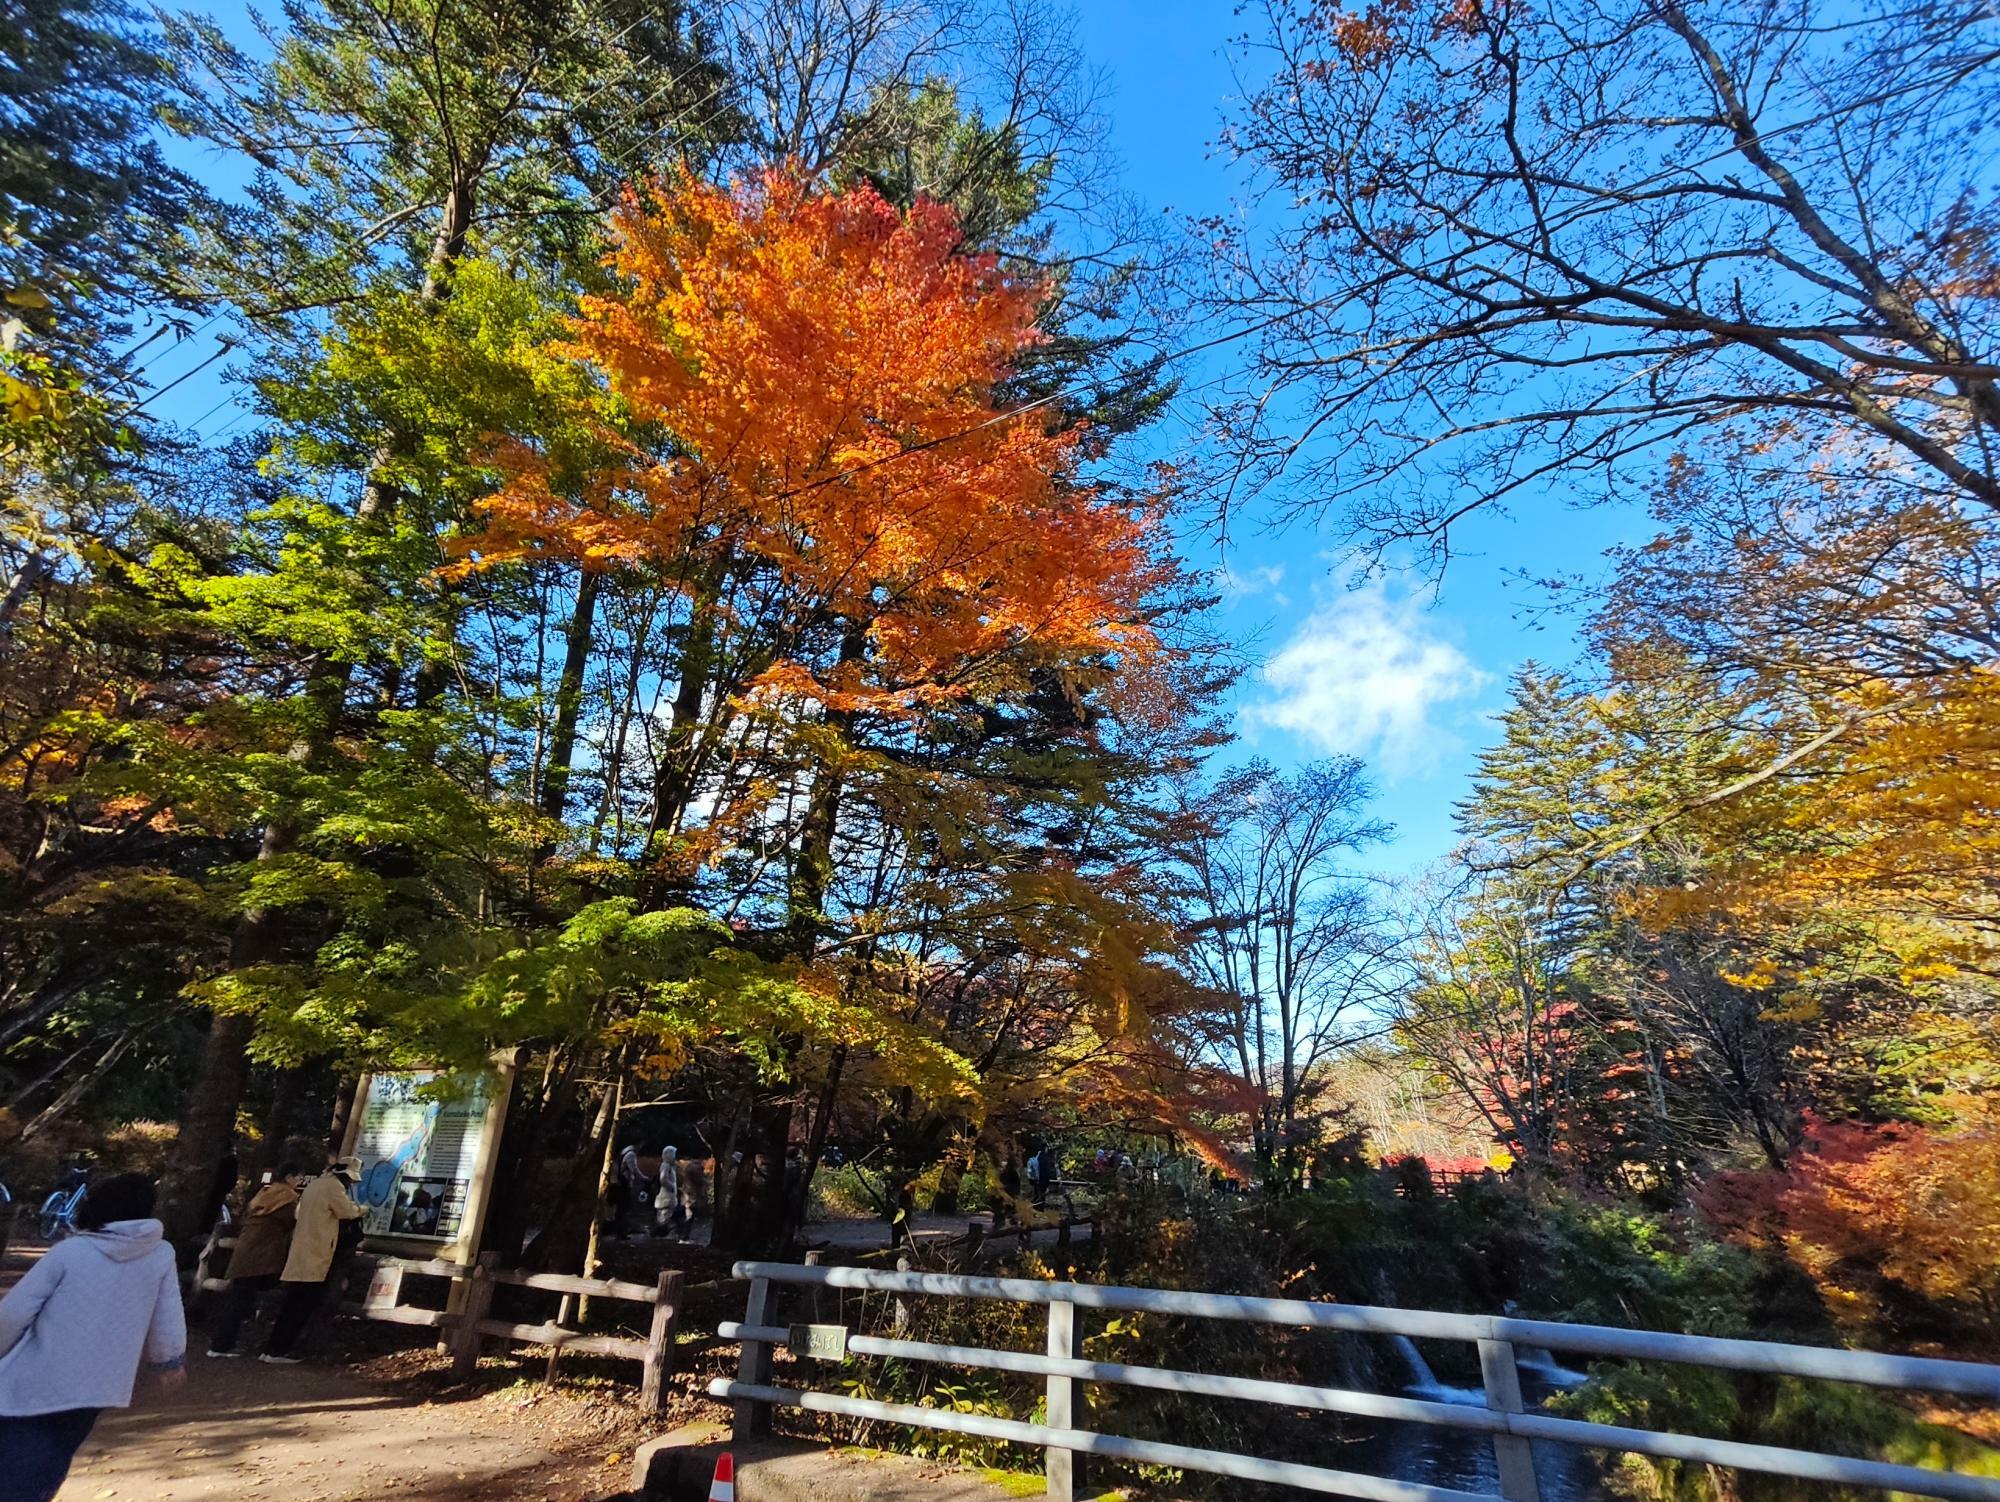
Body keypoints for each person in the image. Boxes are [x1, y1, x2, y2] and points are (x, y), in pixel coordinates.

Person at [0, 1173, 186, 1501]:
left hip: (39, 1375)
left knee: (19, 1454)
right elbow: (167, 1313)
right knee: (56, 1452)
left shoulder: (70, 1252)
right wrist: (169, 1361)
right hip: (103, 1383)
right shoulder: (160, 1255)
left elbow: (15, 1313)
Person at [261, 1156, 365, 1364]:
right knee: (302, 1305)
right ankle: (281, 1350)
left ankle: (272, 1348)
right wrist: (362, 1209)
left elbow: (299, 1214)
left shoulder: (315, 1185)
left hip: (301, 1251)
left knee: (291, 1302)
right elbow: (346, 1211)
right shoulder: (333, 1188)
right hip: (318, 1254)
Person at [207, 1161, 308, 1357]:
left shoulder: (264, 1194)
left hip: (246, 1252)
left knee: (238, 1297)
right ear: (289, 1177)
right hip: (261, 1255)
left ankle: (221, 1342)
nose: (300, 1181)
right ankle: (222, 1345)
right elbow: (292, 1221)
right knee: (240, 1301)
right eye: (299, 1177)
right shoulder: (286, 1197)